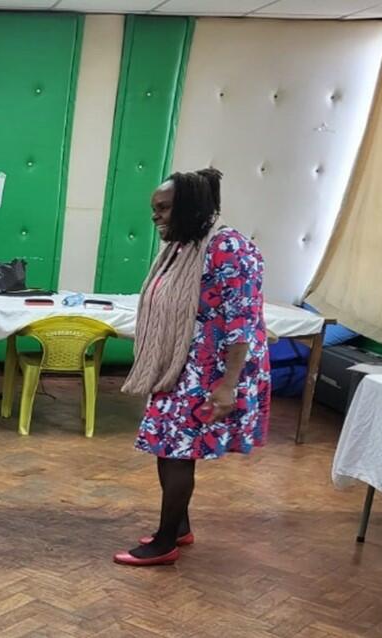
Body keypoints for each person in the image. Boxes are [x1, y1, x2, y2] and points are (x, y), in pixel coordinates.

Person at [114, 168, 269, 567]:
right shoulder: (185, 247)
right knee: (167, 448)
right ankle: (179, 527)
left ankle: (164, 541)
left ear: (189, 208)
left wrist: (227, 387)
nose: (155, 217)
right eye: (154, 209)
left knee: (178, 451)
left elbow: (242, 323)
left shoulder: (229, 248)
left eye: (164, 209)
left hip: (209, 373)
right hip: (178, 366)